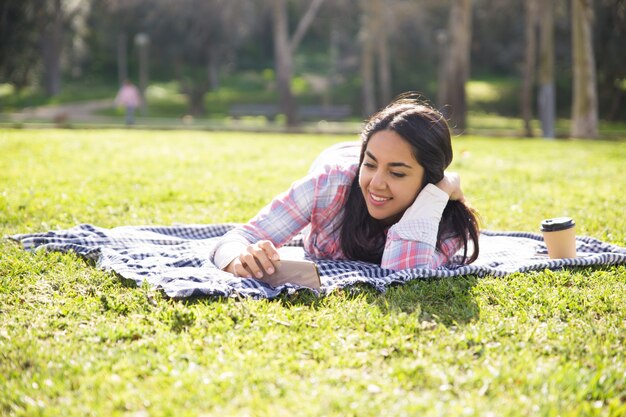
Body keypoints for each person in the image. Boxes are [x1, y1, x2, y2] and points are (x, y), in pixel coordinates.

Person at [210, 94, 480, 279]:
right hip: (337, 155)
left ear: (430, 178)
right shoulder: (328, 186)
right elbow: (236, 239)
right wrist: (240, 260)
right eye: (370, 165)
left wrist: (440, 192)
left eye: (397, 173)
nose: (376, 184)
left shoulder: (446, 219)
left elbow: (404, 273)